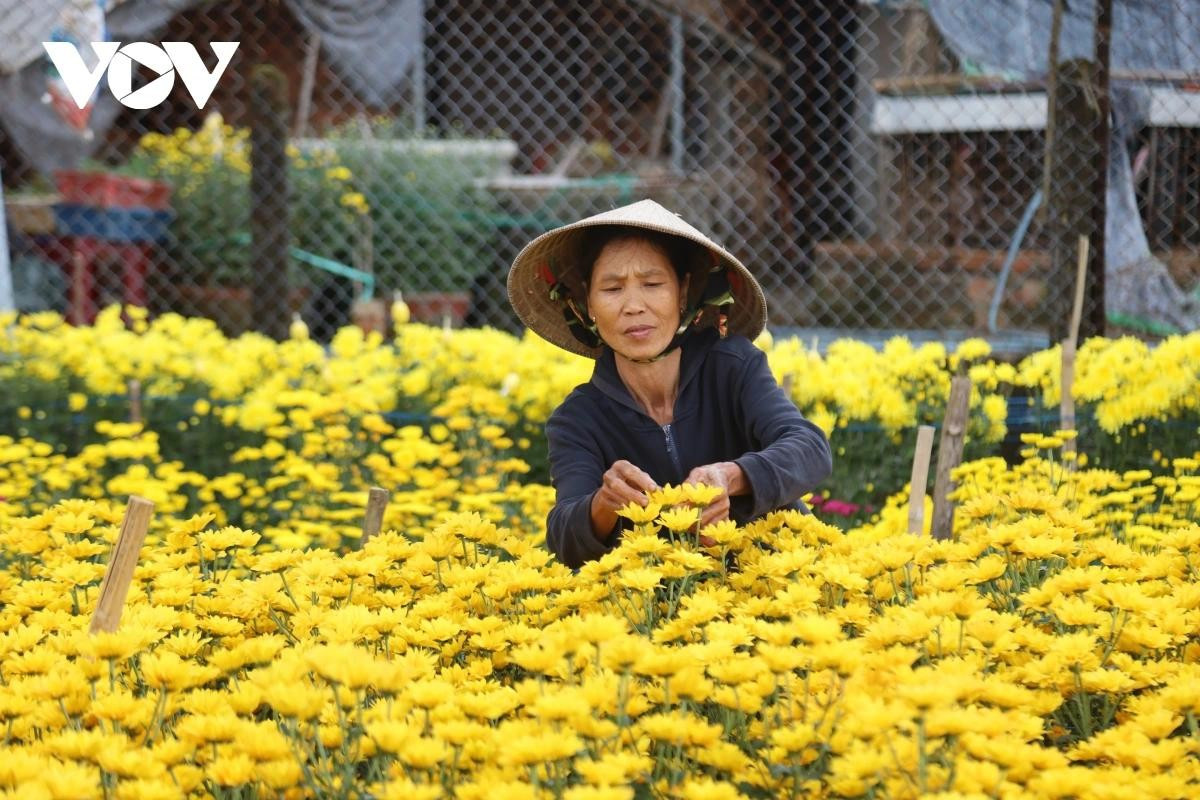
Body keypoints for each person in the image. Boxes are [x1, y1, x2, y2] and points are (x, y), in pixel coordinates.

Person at [506, 199, 832, 569]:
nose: (633, 305)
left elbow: (810, 449)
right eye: (612, 289)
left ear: (682, 292)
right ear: (589, 305)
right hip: (655, 600)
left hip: (775, 581)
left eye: (652, 284)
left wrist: (730, 476)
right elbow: (564, 538)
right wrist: (602, 504)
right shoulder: (578, 419)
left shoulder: (734, 367)